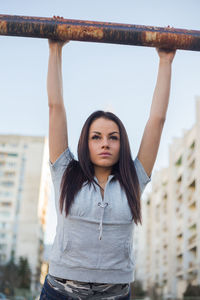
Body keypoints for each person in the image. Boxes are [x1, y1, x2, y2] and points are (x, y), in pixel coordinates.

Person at [39, 20, 176, 299]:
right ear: (85, 143)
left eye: (113, 137)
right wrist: (55, 50)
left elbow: (157, 121)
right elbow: (55, 108)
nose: (105, 143)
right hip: (61, 290)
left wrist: (165, 61)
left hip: (114, 294)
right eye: (96, 137)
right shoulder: (65, 172)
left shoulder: (133, 180)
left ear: (121, 143)